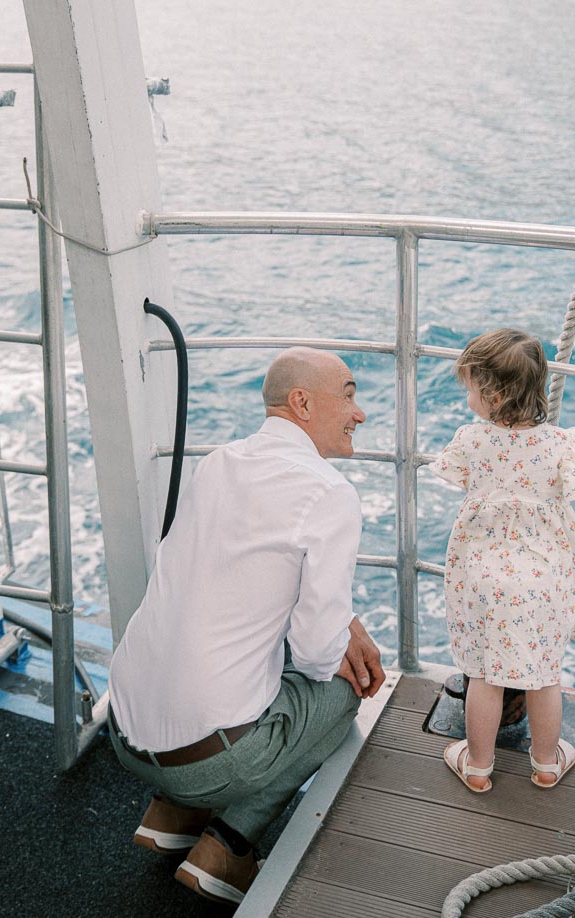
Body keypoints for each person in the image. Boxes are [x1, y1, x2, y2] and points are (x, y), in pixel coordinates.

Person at [107, 347, 385, 906]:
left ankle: (175, 810)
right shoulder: (329, 493)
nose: (360, 413)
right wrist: (343, 637)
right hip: (211, 759)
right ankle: (228, 847)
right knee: (342, 693)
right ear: (303, 403)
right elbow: (312, 654)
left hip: (123, 733)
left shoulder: (218, 463)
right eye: (350, 395)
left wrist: (340, 621)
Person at [429, 327, 575, 794]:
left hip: (482, 577)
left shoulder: (471, 440)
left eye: (471, 388)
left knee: (483, 674)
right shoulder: (564, 444)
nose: (468, 397)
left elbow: (452, 475)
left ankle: (477, 766)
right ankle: (545, 763)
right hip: (543, 578)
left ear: (491, 394)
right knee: (544, 676)